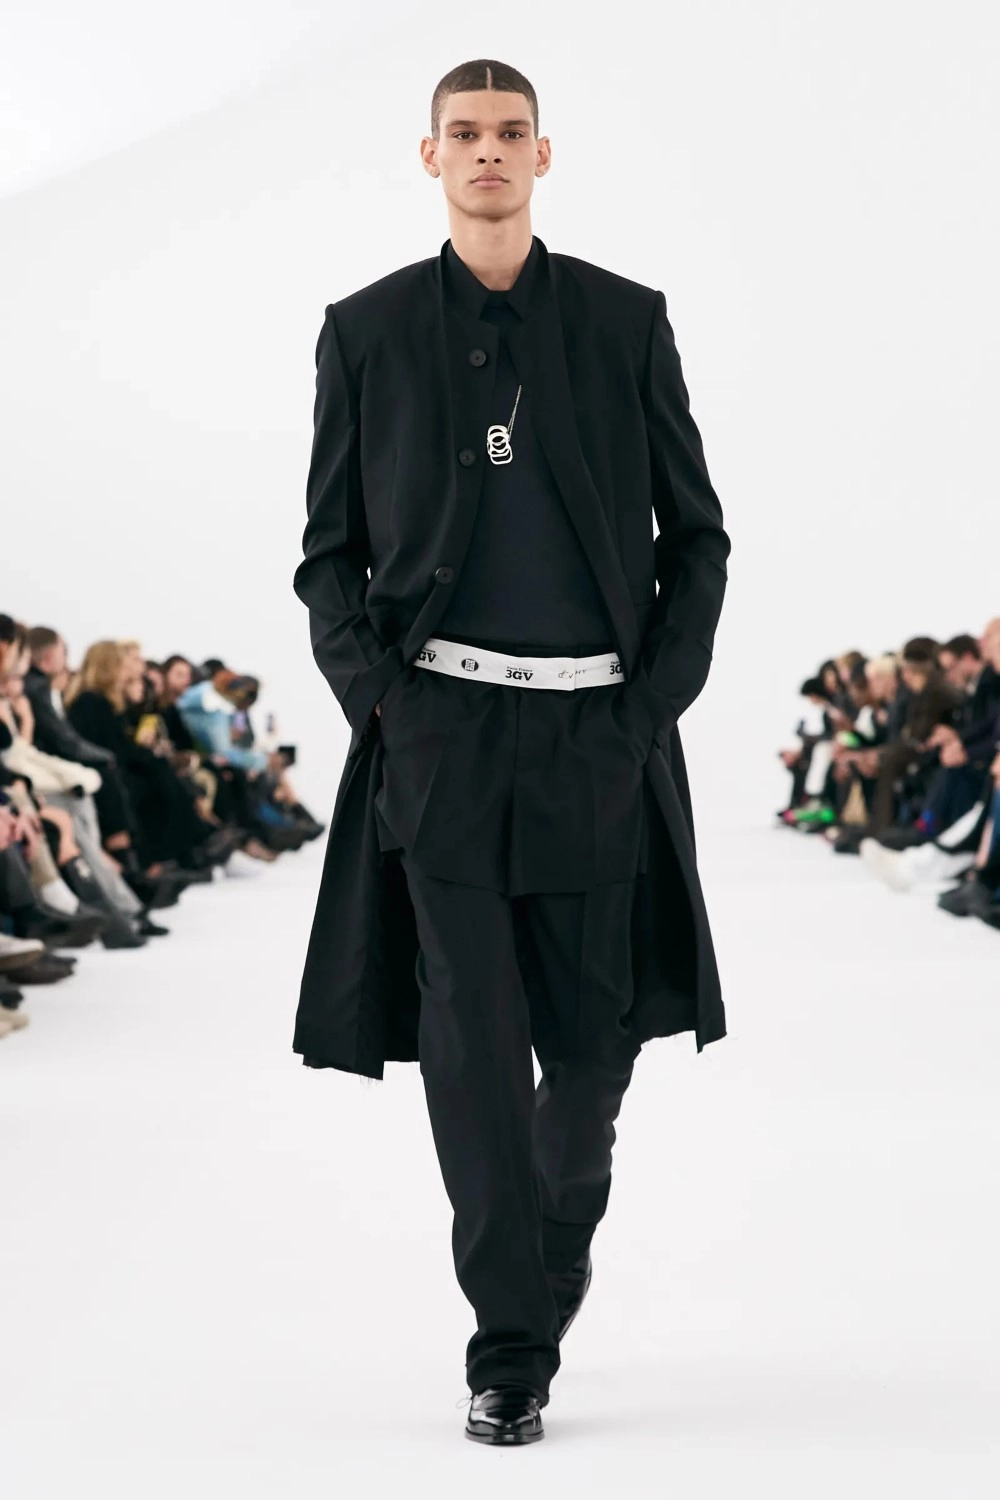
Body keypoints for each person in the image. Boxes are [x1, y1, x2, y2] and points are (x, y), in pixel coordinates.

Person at [290, 58, 730, 1446]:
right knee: (472, 1052)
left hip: (598, 735)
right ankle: (510, 1349)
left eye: (511, 133)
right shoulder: (364, 331)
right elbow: (327, 555)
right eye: (465, 134)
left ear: (546, 153)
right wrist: (385, 704)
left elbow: (697, 537)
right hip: (443, 743)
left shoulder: (625, 320)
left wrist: (649, 706)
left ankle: (546, 1260)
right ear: (430, 157)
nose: (489, 152)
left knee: (590, 1060)